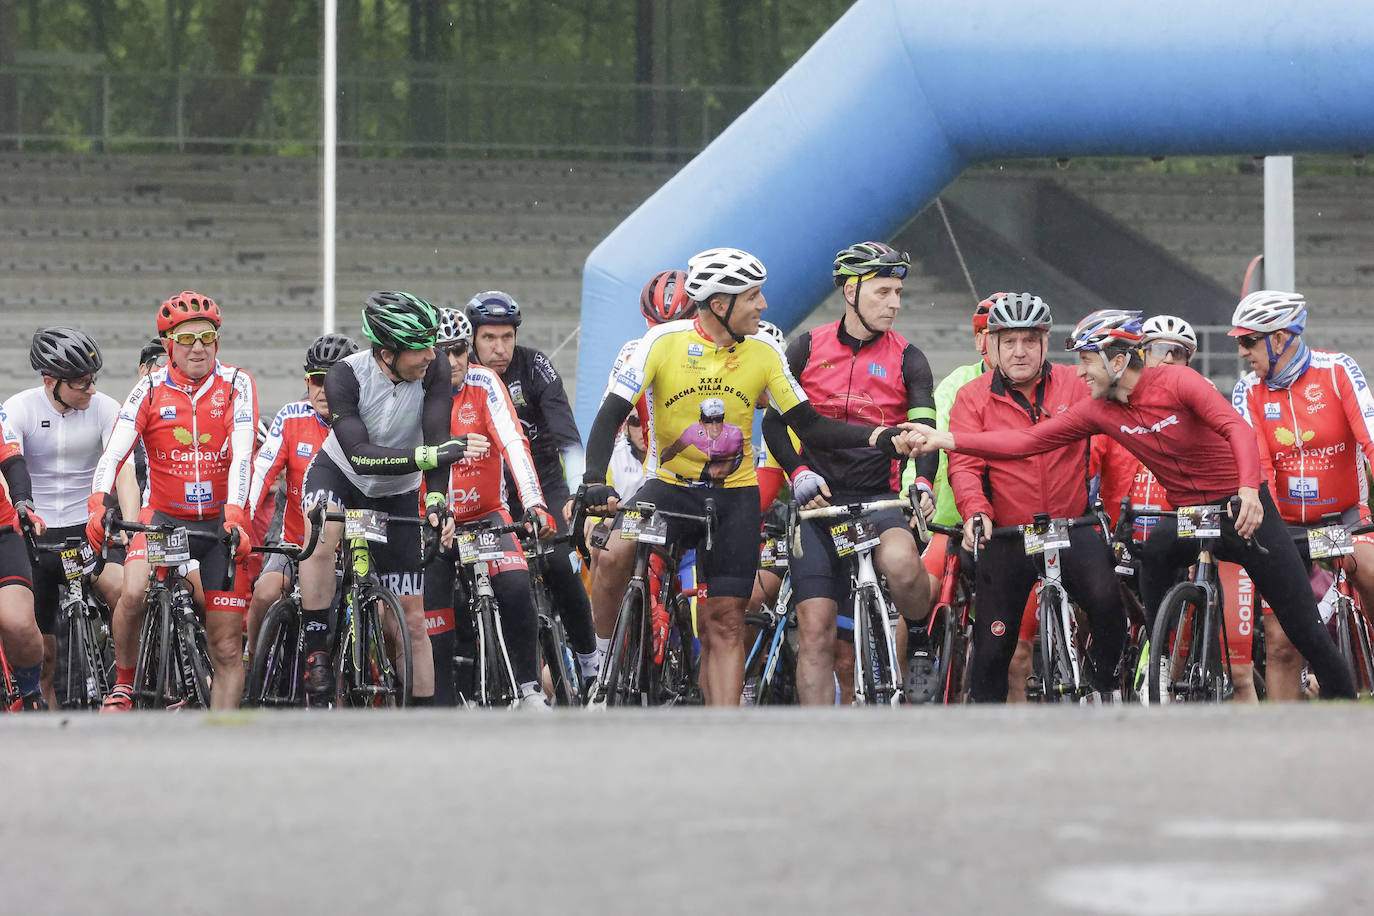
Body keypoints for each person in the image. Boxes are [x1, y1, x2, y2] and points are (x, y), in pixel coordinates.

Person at [910, 307, 1358, 700]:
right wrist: (946, 438)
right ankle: (1160, 654)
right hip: (1188, 514)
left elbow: (1236, 430)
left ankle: (1342, 702)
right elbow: (1026, 440)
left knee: (1303, 629)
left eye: (1087, 361)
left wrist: (1247, 490)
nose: (1080, 373)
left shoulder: (1179, 381)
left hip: (1242, 509)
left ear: (1118, 359)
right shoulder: (1100, 410)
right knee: (1156, 549)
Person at [580, 246, 916, 706]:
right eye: (753, 296)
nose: (763, 305)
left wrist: (877, 437)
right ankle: (599, 660)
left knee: (726, 622)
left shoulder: (766, 350)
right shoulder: (662, 342)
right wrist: (593, 480)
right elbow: (610, 414)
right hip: (670, 488)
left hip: (733, 498)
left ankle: (727, 733)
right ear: (721, 305)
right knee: (615, 551)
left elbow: (810, 424)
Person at [760, 241, 940, 705]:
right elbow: (774, 422)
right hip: (818, 504)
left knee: (903, 564)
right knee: (816, 632)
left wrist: (921, 481)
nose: (895, 303)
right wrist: (797, 471)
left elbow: (924, 431)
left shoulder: (909, 357)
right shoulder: (805, 348)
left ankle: (919, 630)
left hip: (878, 500)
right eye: (883, 292)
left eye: (899, 292)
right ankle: (820, 742)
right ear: (850, 290)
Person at [939, 293, 1124, 703]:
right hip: (1007, 533)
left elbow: (1128, 424)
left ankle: (1104, 681)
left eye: (1029, 340)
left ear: (1045, 343)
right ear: (991, 345)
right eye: (1009, 342)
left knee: (1109, 602)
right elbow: (965, 467)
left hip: (1072, 524)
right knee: (992, 650)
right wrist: (976, 512)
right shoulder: (972, 397)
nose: (1019, 352)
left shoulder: (1078, 387)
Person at [296, 291, 473, 706]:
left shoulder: (434, 372)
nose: (433, 354)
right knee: (325, 528)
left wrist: (435, 502)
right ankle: (317, 646)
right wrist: (430, 456)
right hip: (340, 474)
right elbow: (359, 453)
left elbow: (436, 439)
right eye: (421, 347)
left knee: (412, 620)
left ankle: (424, 718)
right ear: (389, 351)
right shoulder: (345, 375)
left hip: (398, 491)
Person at [88, 291, 258, 712]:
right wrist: (97, 504)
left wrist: (236, 514)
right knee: (132, 592)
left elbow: (241, 454)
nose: (198, 346)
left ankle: (221, 741)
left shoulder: (237, 383)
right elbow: (114, 453)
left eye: (207, 335)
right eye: (186, 337)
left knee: (226, 649)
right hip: (164, 519)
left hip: (220, 523)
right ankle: (125, 683)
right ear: (169, 345)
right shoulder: (148, 389)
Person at [1229, 290, 1374, 700]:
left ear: (1278, 339)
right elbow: (1258, 469)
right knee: (1279, 641)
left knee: (1370, 568)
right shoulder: (1247, 392)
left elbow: (1370, 437)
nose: (1242, 352)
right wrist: (1274, 532)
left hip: (1345, 515)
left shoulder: (1338, 370)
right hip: (1286, 524)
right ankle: (1281, 745)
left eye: (1247, 341)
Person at [424, 307, 556, 708]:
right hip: (433, 517)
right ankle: (443, 700)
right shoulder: (417, 389)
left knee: (516, 587)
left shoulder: (485, 383)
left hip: (486, 514)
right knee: (434, 607)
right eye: (445, 352)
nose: (455, 361)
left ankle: (530, 690)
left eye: (461, 350)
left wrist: (534, 503)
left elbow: (513, 442)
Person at [467, 290, 599, 683]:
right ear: (473, 338)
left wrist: (579, 494)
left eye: (507, 337)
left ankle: (591, 662)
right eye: (489, 338)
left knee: (559, 564)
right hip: (492, 492)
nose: (499, 347)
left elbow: (567, 436)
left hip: (544, 485)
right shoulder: (461, 372)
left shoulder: (534, 364)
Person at [3, 328, 136, 709]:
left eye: (93, 380)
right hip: (36, 533)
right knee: (43, 656)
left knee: (125, 591)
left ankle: (132, 679)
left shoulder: (105, 407)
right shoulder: (20, 408)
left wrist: (126, 520)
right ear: (51, 382)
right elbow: (6, 468)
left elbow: (125, 471)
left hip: (87, 528)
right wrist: (20, 513)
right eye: (81, 383)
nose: (91, 390)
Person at [244, 333, 358, 661]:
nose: (324, 390)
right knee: (264, 593)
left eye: (333, 380)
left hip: (351, 547)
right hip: (295, 544)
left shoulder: (367, 421)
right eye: (317, 380)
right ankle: (253, 659)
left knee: (384, 617)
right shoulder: (292, 416)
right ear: (307, 382)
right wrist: (241, 516)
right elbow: (262, 470)